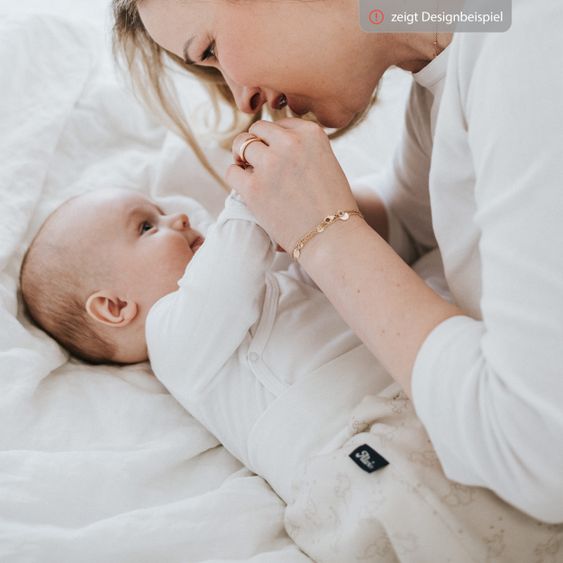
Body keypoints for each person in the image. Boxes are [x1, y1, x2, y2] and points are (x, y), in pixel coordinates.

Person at [112, 0, 563, 523]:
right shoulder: (457, 58)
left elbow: (541, 456)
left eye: (209, 49)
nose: (243, 99)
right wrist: (287, 205)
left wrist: (323, 234)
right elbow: (416, 216)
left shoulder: (529, 44)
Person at [19, 187, 561, 562]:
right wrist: (251, 196)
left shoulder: (263, 282)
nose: (179, 218)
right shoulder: (173, 338)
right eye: (146, 225)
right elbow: (225, 276)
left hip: (414, 408)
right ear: (115, 308)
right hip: (361, 462)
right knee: (438, 524)